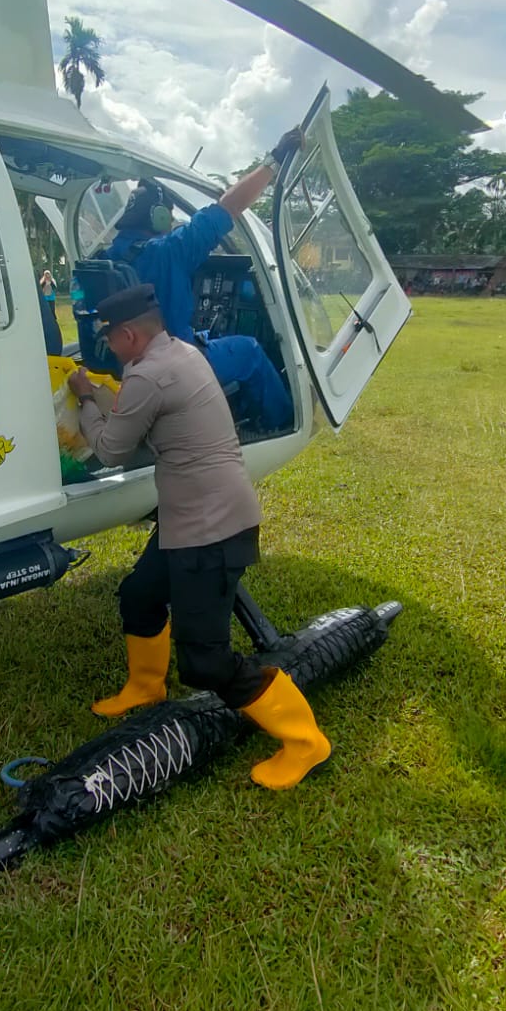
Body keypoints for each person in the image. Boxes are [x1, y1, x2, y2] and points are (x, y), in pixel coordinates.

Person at [68, 283, 331, 789]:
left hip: (210, 530)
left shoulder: (147, 374)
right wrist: (106, 397)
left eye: (109, 338)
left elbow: (111, 449)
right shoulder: (181, 352)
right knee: (141, 595)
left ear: (128, 335)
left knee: (207, 661)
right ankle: (146, 687)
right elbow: (144, 414)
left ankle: (305, 742)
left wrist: (84, 398)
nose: (108, 347)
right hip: (192, 516)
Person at [100, 129, 303, 431]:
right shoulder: (169, 250)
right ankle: (282, 425)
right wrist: (274, 161)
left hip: (123, 364)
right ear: (158, 217)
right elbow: (229, 207)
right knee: (248, 351)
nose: (170, 222)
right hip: (175, 366)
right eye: (168, 216)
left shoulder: (105, 258)